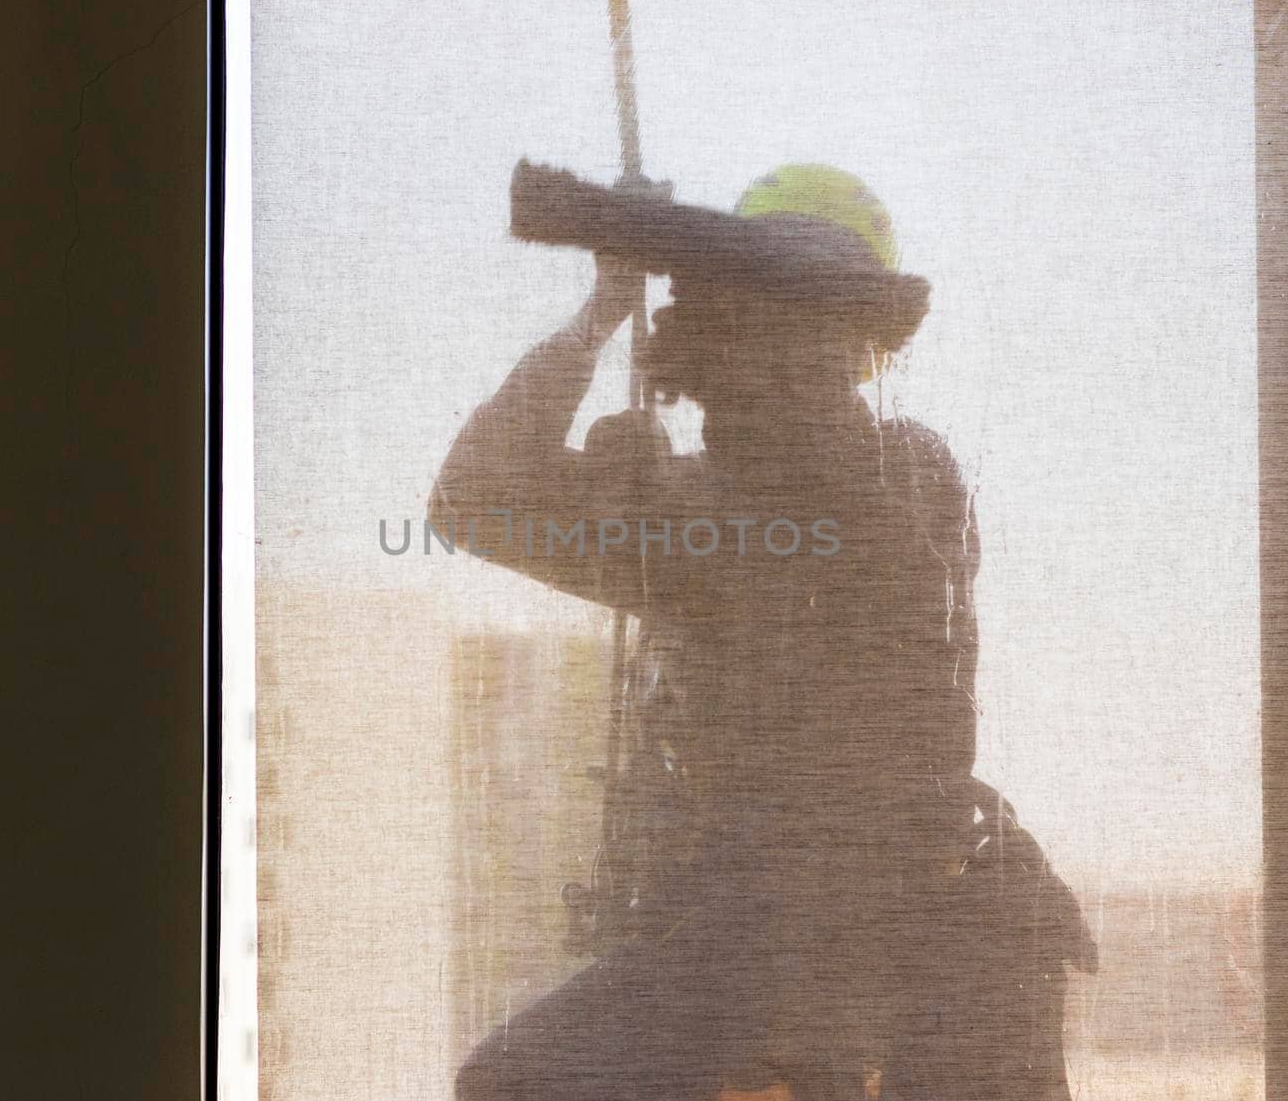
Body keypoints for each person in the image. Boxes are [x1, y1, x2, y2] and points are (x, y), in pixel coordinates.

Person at [430, 166, 1093, 1101]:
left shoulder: (898, 479)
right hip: (769, 949)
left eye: (774, 318)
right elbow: (475, 497)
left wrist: (676, 415)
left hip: (897, 957)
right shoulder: (702, 510)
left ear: (845, 347)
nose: (732, 345)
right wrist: (605, 311)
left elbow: (811, 504)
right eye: (725, 314)